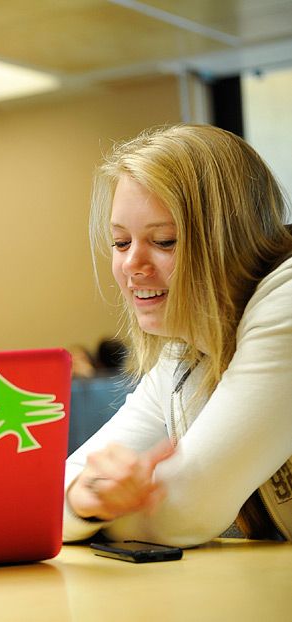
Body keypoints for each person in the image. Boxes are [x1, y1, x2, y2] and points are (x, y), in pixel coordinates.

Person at [64, 124, 292, 547]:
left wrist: (93, 507)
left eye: (165, 241)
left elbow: (183, 510)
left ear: (230, 240)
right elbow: (51, 498)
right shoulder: (185, 351)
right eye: (119, 242)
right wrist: (87, 497)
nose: (133, 263)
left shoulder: (287, 302)